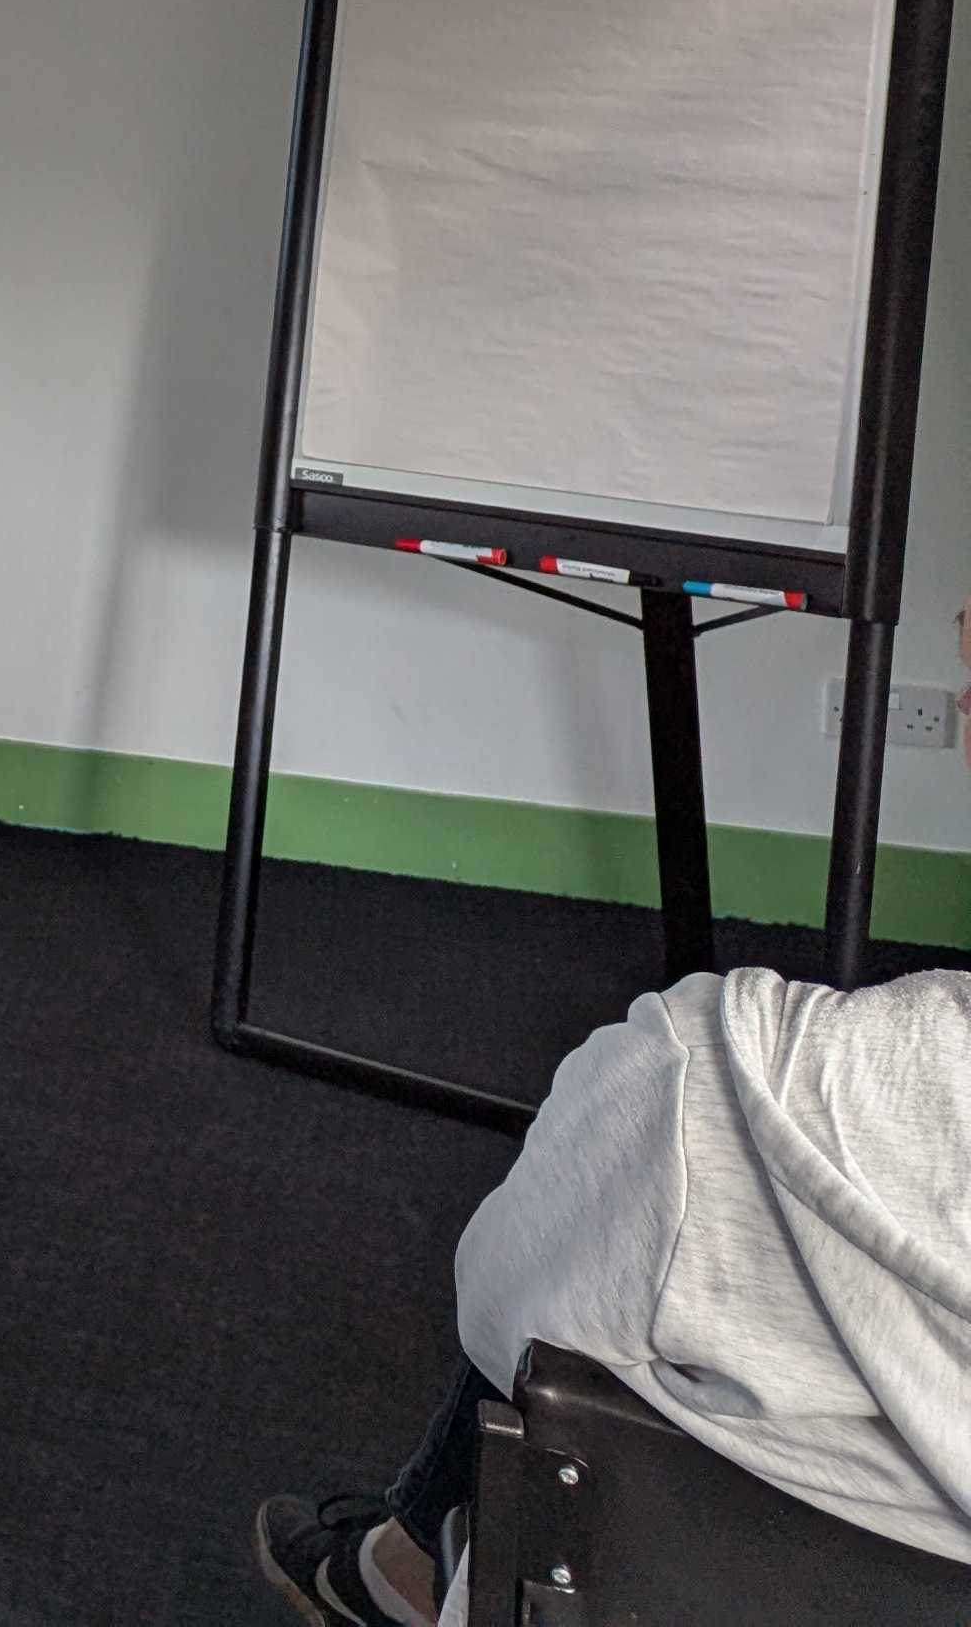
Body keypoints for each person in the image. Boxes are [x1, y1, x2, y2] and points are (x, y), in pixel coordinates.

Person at [254, 626, 971, 1624]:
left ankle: (398, 1570)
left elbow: (501, 1301)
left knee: (602, 1231)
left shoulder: (737, 1077)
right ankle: (402, 1557)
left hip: (724, 1559)